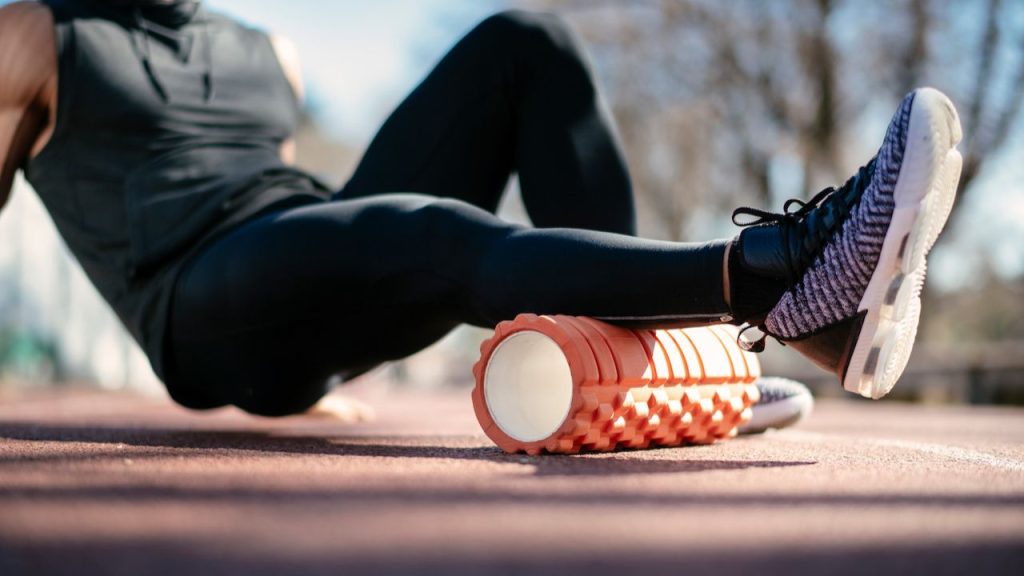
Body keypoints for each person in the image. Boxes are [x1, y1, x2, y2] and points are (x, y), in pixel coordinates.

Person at [0, 0, 962, 417]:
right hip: (198, 301)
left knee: (524, 42)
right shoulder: (38, 36)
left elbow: (306, 222)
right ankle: (776, 275)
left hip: (298, 259)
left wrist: (322, 358)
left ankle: (658, 364)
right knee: (425, 231)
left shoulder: (266, 51)